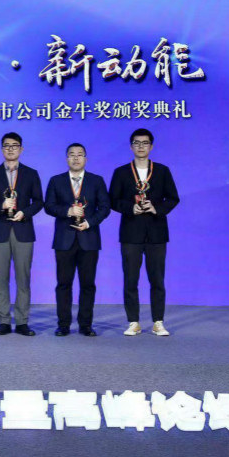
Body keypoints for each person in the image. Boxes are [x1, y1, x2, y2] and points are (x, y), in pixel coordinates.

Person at [109, 128, 180, 337]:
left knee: (157, 279)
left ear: (151, 146)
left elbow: (173, 198)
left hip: (156, 233)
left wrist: (156, 208)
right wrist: (130, 207)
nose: (141, 146)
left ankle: (158, 322)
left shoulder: (162, 171)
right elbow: (112, 200)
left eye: (145, 143)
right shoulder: (121, 172)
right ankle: (133, 322)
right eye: (137, 143)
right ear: (131, 146)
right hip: (131, 233)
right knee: (130, 280)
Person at [43, 143, 110, 337]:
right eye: (72, 155)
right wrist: (68, 211)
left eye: (80, 155)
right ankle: (63, 324)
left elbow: (105, 207)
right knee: (63, 284)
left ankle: (85, 325)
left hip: (89, 238)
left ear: (86, 159)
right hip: (64, 239)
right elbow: (49, 206)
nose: (76, 158)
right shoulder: (56, 181)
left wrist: (89, 222)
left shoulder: (96, 181)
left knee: (88, 284)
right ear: (67, 159)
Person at [0, 132, 44, 336]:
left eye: (14, 145)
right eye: (6, 145)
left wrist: (24, 212)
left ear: (21, 149)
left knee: (23, 279)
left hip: (23, 230)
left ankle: (22, 321)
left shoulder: (31, 174)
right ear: (2, 149)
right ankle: (4, 322)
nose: (10, 149)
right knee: (1, 279)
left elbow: (39, 201)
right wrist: (1, 205)